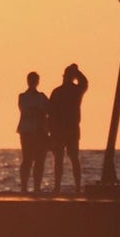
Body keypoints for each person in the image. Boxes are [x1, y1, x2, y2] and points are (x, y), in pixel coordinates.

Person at [46, 62, 88, 195]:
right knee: (71, 158)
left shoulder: (58, 92)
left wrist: (50, 130)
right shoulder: (74, 91)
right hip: (67, 129)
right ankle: (75, 188)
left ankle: (60, 187)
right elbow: (84, 82)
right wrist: (77, 72)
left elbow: (50, 113)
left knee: (63, 159)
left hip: (63, 130)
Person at [16, 71, 49, 196]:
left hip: (40, 131)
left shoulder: (42, 97)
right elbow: (26, 110)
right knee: (27, 159)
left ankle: (37, 187)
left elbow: (48, 110)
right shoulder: (23, 96)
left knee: (39, 160)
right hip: (27, 131)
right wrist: (38, 112)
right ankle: (24, 186)